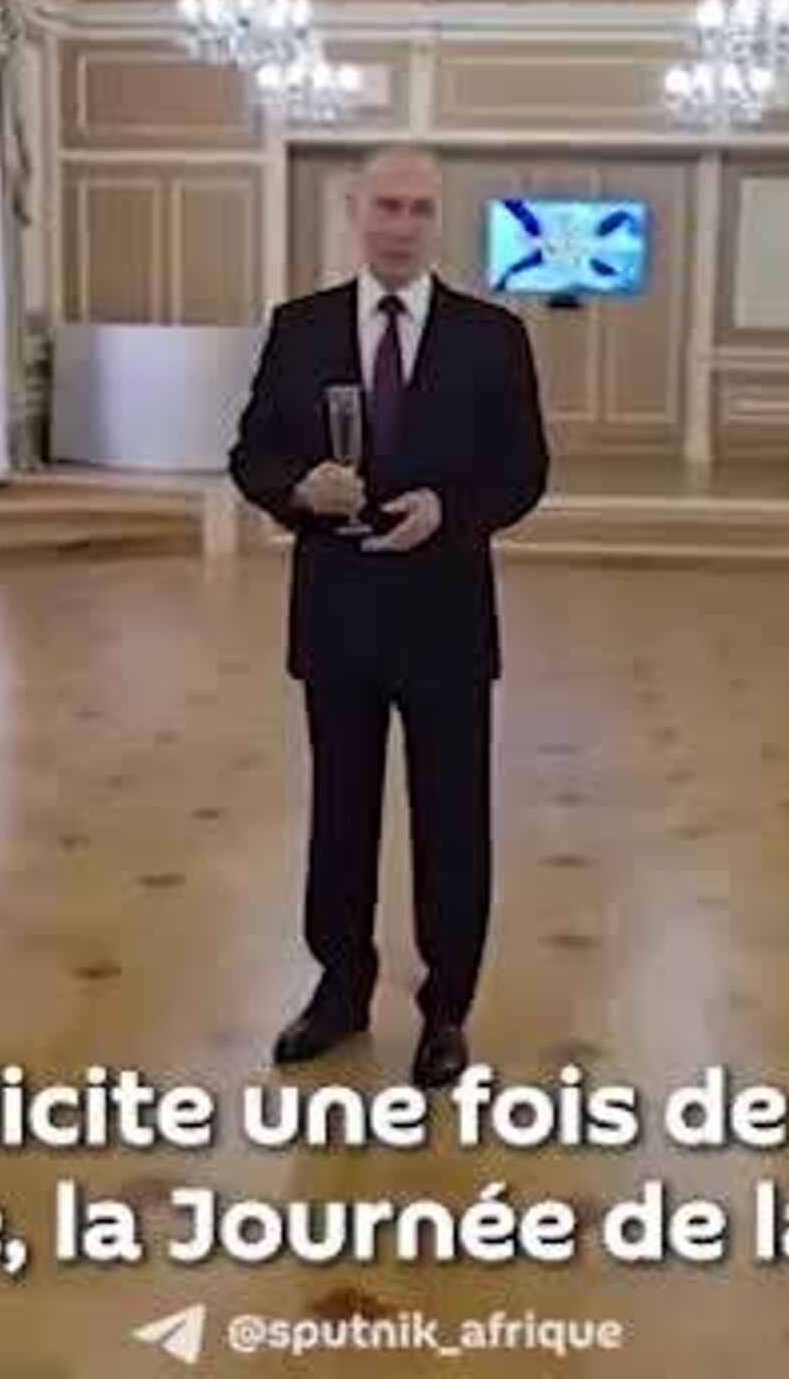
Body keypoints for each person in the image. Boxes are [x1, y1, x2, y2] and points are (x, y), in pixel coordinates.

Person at [228, 147, 549, 1089]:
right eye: (387, 206)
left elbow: (524, 470)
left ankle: (447, 1008)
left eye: (419, 209)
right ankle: (339, 988)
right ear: (354, 209)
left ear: (439, 217)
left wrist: (451, 508)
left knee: (454, 818)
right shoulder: (300, 328)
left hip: (446, 617)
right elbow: (251, 454)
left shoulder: (493, 336)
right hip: (337, 615)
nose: (402, 225)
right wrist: (299, 489)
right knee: (340, 813)